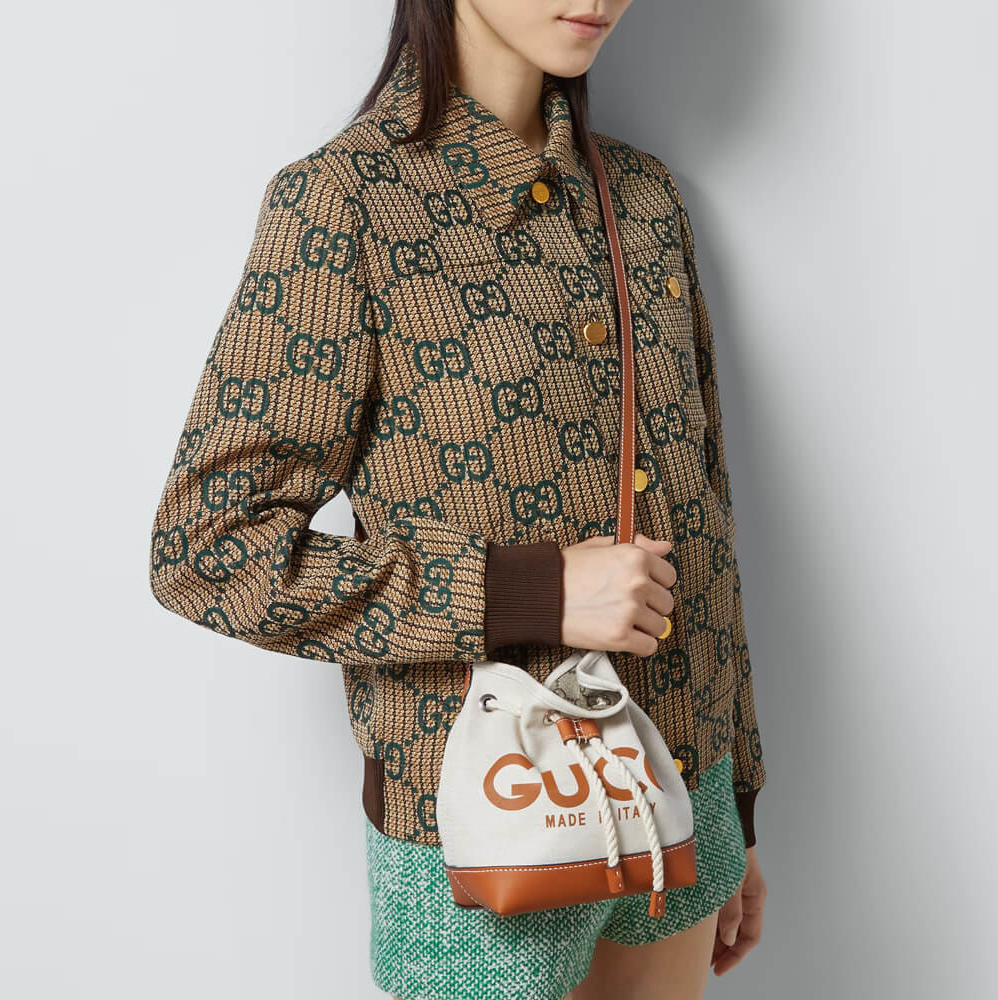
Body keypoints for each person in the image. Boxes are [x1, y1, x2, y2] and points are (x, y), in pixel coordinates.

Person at [148, 1, 768, 997]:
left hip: (678, 796)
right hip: (478, 829)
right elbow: (207, 551)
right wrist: (529, 592)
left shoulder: (643, 200)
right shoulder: (343, 205)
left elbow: (704, 511)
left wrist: (736, 799)